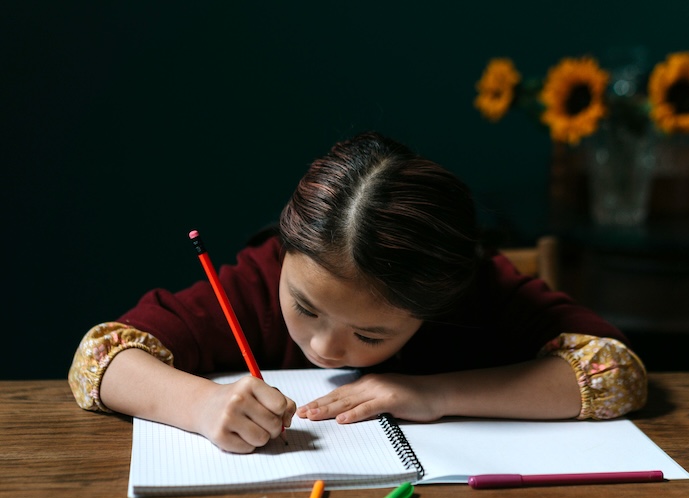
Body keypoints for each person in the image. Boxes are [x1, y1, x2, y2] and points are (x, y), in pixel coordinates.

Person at [68, 131, 647, 454]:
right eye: (304, 305)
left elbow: (616, 372)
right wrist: (199, 405)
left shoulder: (477, 288)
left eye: (371, 333)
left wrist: (435, 394)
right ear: (286, 251)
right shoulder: (256, 278)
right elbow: (100, 357)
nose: (323, 344)